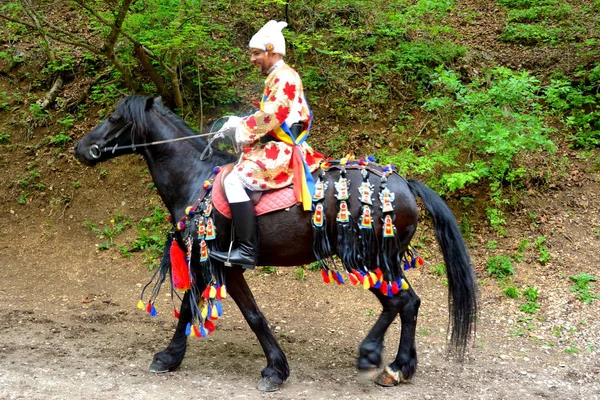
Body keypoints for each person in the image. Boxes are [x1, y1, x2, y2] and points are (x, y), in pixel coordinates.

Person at [210, 20, 324, 268]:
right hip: (276, 143)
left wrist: (241, 128)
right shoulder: (279, 76)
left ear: (271, 51)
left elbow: (274, 114)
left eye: (255, 53)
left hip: (282, 148)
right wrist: (241, 121)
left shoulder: (284, 76)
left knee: (232, 179)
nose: (251, 59)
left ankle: (247, 250)